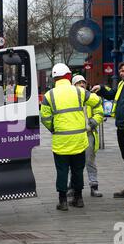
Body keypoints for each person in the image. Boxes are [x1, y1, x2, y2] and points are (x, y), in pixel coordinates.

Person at [41, 64, 102, 211]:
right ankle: (78, 198)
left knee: (62, 170)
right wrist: (92, 122)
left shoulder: (49, 95)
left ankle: (63, 201)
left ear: (55, 78)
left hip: (60, 141)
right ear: (69, 76)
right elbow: (97, 102)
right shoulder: (79, 92)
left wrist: (53, 128)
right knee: (77, 170)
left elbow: (45, 117)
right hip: (79, 140)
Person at [91, 60, 124, 198]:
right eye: (120, 71)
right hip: (121, 127)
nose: (121, 73)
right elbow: (112, 94)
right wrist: (100, 88)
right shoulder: (122, 83)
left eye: (123, 71)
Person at [70, 75, 104, 197]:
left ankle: (94, 186)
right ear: (73, 85)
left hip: (88, 133)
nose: (82, 85)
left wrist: (92, 122)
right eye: (79, 83)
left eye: (83, 82)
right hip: (74, 134)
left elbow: (100, 112)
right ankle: (72, 186)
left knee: (90, 161)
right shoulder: (69, 98)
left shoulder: (91, 98)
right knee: (73, 162)